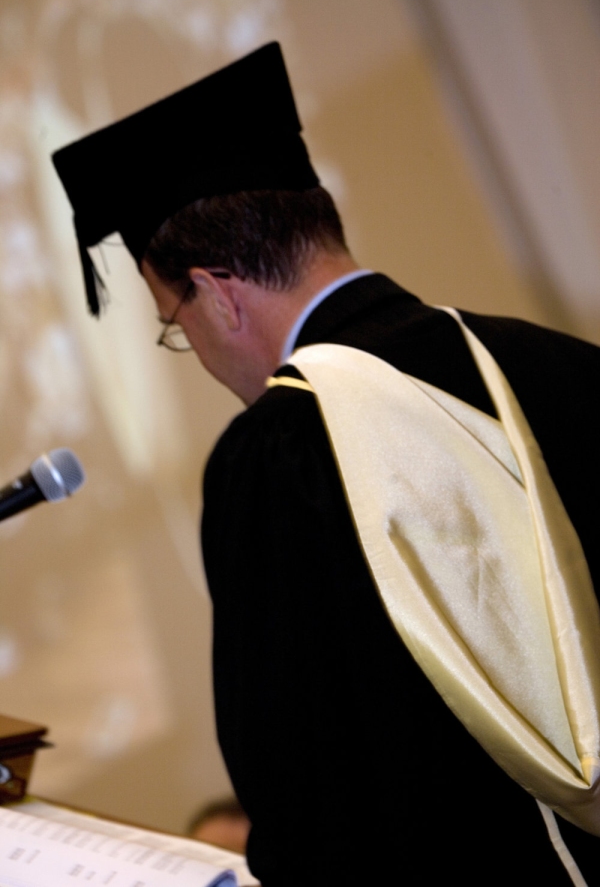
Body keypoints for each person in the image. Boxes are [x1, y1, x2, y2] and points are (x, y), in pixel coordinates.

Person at [52, 43, 600, 885]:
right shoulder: (564, 366)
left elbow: (305, 793)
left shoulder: (277, 457)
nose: (191, 347)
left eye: (175, 322)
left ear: (220, 293)